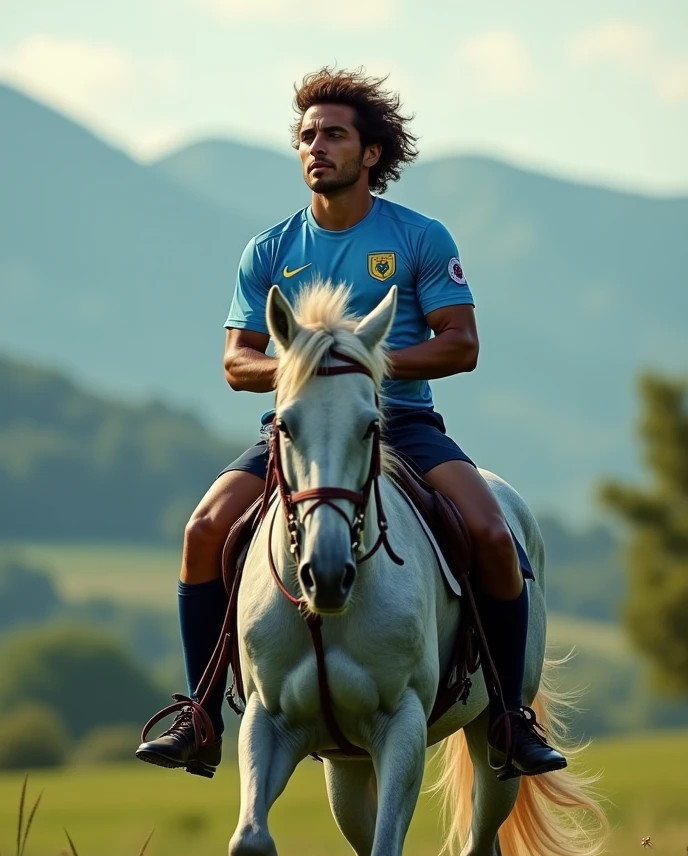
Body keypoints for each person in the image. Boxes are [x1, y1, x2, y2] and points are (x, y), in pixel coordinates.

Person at [136, 67, 566, 780]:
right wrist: (314, 371)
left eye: (334, 134)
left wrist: (364, 369)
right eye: (307, 136)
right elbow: (237, 363)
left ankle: (511, 720)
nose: (316, 147)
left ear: (370, 154)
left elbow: (461, 343)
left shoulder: (419, 237)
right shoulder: (268, 250)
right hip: (300, 430)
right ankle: (201, 712)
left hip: (402, 426)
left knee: (493, 532)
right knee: (203, 531)